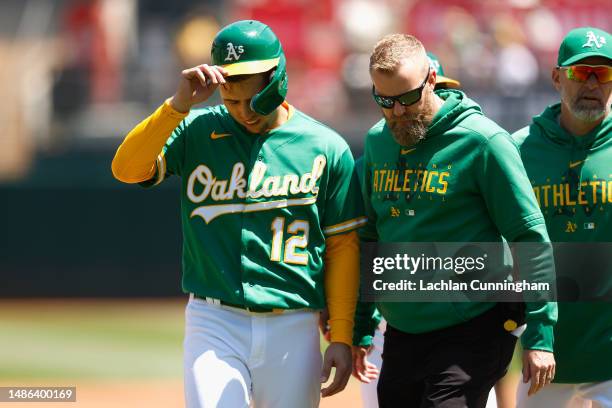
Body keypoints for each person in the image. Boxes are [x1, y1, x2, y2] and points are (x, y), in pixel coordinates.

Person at [111, 20, 366, 408]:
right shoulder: (196, 129)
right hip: (214, 320)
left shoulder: (325, 146)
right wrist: (176, 107)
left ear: (277, 79)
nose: (243, 112)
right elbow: (126, 169)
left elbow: (343, 247)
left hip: (293, 322)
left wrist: (343, 335)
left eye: (252, 99)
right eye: (231, 101)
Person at [354, 33, 558, 407]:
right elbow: (371, 238)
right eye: (385, 101)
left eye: (408, 98)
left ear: (431, 79)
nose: (398, 111)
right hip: (402, 331)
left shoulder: (483, 142)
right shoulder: (377, 143)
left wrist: (541, 335)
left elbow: (529, 236)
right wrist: (362, 325)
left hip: (473, 327)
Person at [349, 52, 462, 408]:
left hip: (463, 319)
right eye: (395, 98)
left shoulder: (470, 147)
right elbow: (359, 244)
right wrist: (354, 318)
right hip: (392, 322)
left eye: (422, 94)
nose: (411, 108)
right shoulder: (369, 161)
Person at [513, 26, 612, 408]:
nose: (591, 83)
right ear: (557, 77)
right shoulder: (520, 150)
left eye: (602, 73)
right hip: (546, 349)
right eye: (579, 71)